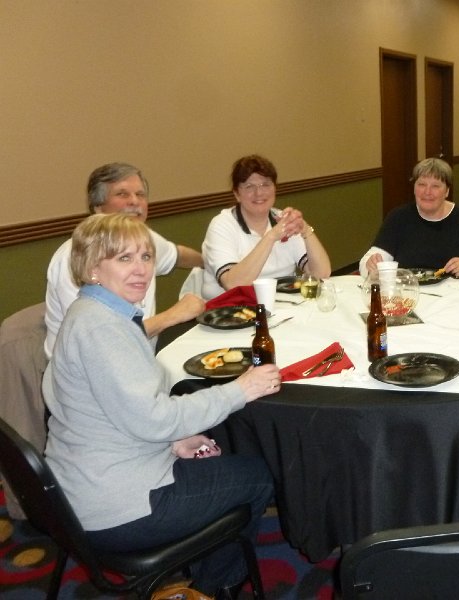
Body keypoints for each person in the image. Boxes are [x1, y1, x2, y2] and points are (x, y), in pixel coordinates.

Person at [43, 213, 281, 598]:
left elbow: (105, 411)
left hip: (80, 484)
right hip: (117, 506)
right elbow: (154, 418)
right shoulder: (103, 328)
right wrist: (241, 389)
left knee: (219, 462)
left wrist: (171, 442)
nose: (140, 270)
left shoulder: (91, 314)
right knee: (257, 476)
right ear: (91, 268)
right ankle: (213, 587)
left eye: (145, 256)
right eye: (124, 259)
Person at [44, 162, 205, 359]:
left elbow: (177, 255)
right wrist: (174, 315)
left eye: (140, 194)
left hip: (140, 356)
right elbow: (100, 342)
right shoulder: (75, 256)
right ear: (97, 207)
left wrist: (213, 265)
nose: (134, 202)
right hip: (87, 371)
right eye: (122, 194)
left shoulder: (144, 239)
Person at [201, 154, 331, 299]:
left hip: (282, 304)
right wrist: (270, 237)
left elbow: (322, 274)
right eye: (249, 186)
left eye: (265, 184)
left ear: (275, 189)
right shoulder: (222, 225)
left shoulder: (283, 219)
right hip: (231, 310)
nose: (259, 193)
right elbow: (233, 285)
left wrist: (305, 230)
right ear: (237, 194)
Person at [359, 158, 459, 280]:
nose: (427, 192)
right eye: (421, 185)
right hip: (408, 294)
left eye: (435, 186)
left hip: (452, 300)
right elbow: (368, 262)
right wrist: (370, 267)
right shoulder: (398, 217)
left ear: (447, 191)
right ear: (414, 188)